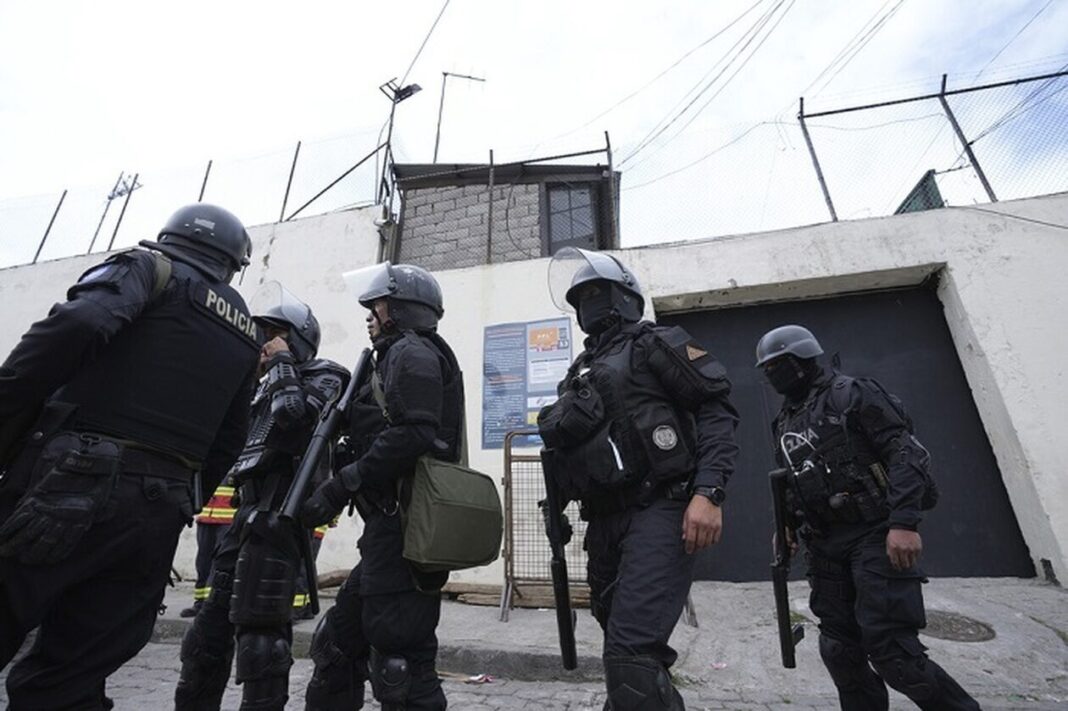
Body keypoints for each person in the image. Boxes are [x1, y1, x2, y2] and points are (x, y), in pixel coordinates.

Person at [0, 203, 260, 710]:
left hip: (68, 485)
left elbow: (78, 324)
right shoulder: (245, 329)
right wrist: (183, 500)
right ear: (232, 264)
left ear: (171, 238)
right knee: (69, 681)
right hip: (156, 518)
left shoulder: (148, 268)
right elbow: (230, 441)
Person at [537, 247, 739, 710]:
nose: (589, 303)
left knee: (631, 658)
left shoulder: (654, 343)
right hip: (603, 523)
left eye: (597, 292)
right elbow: (570, 452)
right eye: (581, 297)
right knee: (625, 653)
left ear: (624, 296)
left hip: (659, 509)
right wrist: (554, 507)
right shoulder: (579, 371)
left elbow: (716, 409)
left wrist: (709, 492)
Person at [755, 324, 979, 711]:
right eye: (767, 369)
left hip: (874, 533)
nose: (773, 374)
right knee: (839, 651)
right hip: (825, 545)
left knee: (894, 654)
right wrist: (786, 524)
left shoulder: (852, 394)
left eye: (779, 365)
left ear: (805, 359)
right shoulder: (786, 420)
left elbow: (907, 455)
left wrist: (903, 522)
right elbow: (796, 478)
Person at [174, 285, 348, 711]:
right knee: (204, 640)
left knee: (261, 644)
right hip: (243, 516)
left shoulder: (326, 375)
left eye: (274, 335)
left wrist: (282, 363)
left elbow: (294, 419)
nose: (263, 345)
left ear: (296, 339)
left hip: (279, 518)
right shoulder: (260, 387)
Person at [300, 262, 465, 711]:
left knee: (400, 664)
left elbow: (414, 434)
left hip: (405, 531)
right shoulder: (393, 357)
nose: (370, 315)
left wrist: (342, 485)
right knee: (337, 644)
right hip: (387, 531)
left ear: (402, 309)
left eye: (378, 305)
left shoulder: (413, 353)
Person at [180, 476, 239, 618]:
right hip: (205, 516)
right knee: (202, 563)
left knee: (221, 563)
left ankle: (217, 604)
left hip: (228, 518)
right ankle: (200, 602)